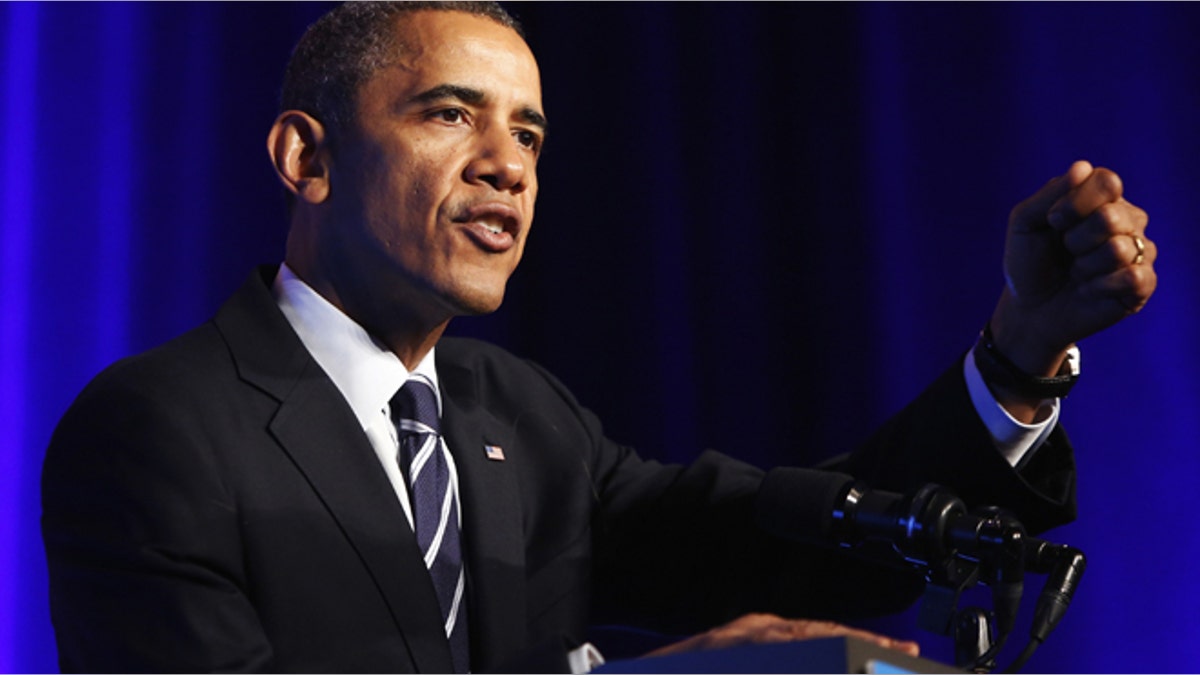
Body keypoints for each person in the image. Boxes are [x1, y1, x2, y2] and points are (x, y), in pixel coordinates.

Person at [41, 2, 1157, 673]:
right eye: (449, 113)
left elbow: (785, 544)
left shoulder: (521, 420)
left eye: (528, 133)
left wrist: (1016, 355)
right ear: (308, 157)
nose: (506, 164)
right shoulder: (160, 429)